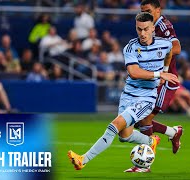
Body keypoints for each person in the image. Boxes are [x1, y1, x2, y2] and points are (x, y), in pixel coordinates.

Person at [67, 12, 179, 172]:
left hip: (146, 97)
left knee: (114, 125)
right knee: (124, 136)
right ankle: (150, 141)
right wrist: (160, 74)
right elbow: (134, 72)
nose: (142, 33)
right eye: (139, 29)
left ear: (153, 28)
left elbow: (169, 53)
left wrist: (166, 70)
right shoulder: (131, 47)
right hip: (128, 94)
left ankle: (83, 159)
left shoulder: (164, 44)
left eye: (146, 29)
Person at [130, 0, 182, 158]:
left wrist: (159, 59)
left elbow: (177, 48)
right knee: (139, 121)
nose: (145, 14)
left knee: (144, 119)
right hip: (152, 80)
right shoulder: (147, 27)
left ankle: (145, 161)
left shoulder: (163, 25)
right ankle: (173, 132)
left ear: (158, 10)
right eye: (142, 11)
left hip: (165, 81)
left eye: (148, 11)